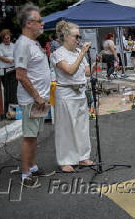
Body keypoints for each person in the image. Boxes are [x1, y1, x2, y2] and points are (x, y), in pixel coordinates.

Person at [14, 3, 55, 188]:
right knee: (29, 136)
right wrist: (37, 96)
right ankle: (25, 173)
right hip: (32, 99)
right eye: (39, 21)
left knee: (35, 135)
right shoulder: (23, 44)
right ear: (29, 23)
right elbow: (20, 75)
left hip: (40, 98)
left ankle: (32, 166)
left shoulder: (33, 43)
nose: (42, 24)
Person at [51, 21, 93, 173]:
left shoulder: (77, 53)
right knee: (66, 128)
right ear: (66, 36)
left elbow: (87, 72)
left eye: (79, 36)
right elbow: (70, 71)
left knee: (82, 127)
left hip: (80, 93)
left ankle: (82, 156)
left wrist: (94, 60)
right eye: (76, 36)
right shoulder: (58, 54)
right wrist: (82, 53)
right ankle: (65, 160)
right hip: (66, 94)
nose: (79, 39)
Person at [0, 29, 17, 114]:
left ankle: (14, 109)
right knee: (7, 91)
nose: (7, 40)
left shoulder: (14, 45)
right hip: (4, 71)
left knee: (14, 90)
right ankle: (6, 110)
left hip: (13, 70)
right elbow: (1, 57)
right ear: (2, 39)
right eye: (5, 38)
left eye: (8, 38)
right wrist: (11, 60)